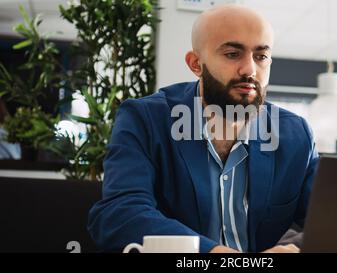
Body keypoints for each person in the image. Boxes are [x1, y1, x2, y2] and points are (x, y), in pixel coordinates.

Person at [87, 4, 319, 253]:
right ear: (196, 63)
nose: (250, 69)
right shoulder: (145, 119)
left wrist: (292, 249)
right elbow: (120, 213)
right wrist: (213, 254)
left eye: (260, 56)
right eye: (232, 54)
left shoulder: (296, 135)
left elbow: (326, 219)